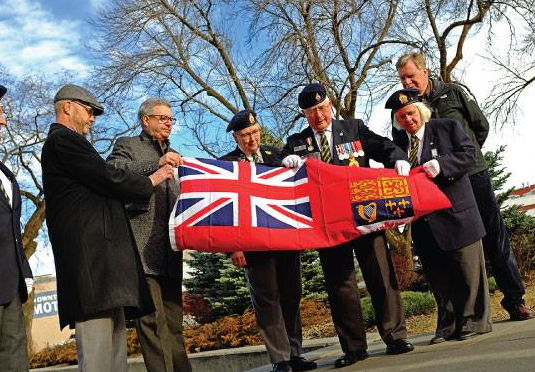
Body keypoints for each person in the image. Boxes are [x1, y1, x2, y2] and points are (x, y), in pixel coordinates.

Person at [41, 84, 175, 372]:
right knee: (98, 354)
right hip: (91, 266)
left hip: (106, 268)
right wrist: (151, 180)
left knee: (115, 353)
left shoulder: (73, 144)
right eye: (89, 111)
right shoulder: (62, 140)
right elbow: (108, 175)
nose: (92, 118)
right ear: (68, 107)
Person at [280, 83, 414, 368]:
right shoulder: (297, 143)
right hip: (327, 224)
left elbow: (384, 146)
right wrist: (285, 163)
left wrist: (399, 159)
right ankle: (354, 347)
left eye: (321, 108)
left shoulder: (353, 129)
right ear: (304, 114)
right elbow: (277, 176)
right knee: (340, 286)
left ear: (329, 105)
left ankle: (395, 336)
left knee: (380, 274)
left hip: (364, 215)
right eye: (310, 112)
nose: (317, 116)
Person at [395, 52, 533, 321]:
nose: (407, 81)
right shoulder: (407, 108)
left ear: (425, 72)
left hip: (472, 175)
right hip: (439, 185)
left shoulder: (454, 93)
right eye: (402, 78)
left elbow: (480, 127)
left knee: (495, 237)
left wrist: (463, 160)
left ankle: (515, 300)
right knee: (453, 245)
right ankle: (463, 313)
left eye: (411, 75)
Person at [386, 88, 492, 342]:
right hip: (425, 221)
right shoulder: (399, 145)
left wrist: (443, 165)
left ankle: (473, 320)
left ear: (420, 111)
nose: (407, 120)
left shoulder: (447, 128)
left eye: (410, 113)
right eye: (401, 117)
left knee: (468, 272)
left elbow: (470, 154)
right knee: (437, 275)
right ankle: (448, 323)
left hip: (457, 213)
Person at [219, 110, 317, 372]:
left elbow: (297, 190)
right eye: (245, 135)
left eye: (255, 132)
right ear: (236, 138)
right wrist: (233, 247)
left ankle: (295, 353)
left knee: (291, 295)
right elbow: (224, 211)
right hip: (253, 245)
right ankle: (280, 359)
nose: (252, 139)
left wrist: (295, 164)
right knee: (267, 301)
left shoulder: (276, 155)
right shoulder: (226, 164)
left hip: (285, 239)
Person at [107, 98, 191, 372]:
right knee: (152, 325)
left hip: (170, 253)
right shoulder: (127, 146)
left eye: (171, 119)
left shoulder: (177, 154)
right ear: (146, 120)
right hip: (142, 253)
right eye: (163, 118)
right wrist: (156, 164)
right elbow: (113, 172)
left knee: (175, 326)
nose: (169, 123)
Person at [0, 83, 34, 372]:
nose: (3, 120)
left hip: (10, 284)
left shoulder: (5, 173)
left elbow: (12, 230)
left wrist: (24, 269)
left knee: (14, 358)